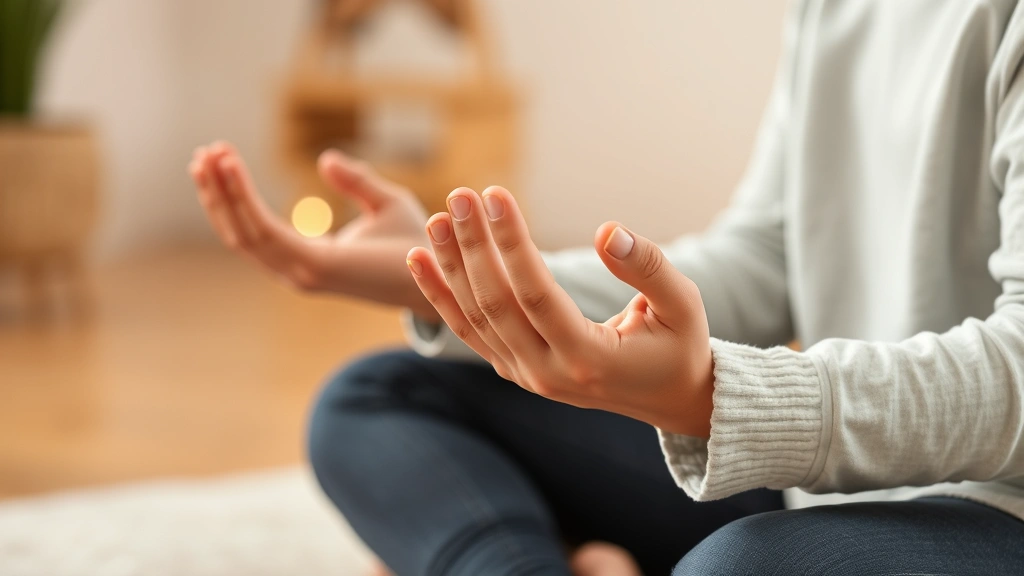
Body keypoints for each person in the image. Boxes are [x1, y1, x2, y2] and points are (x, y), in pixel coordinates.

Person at [189, 1, 1024, 573]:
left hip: (1002, 513)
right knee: (380, 397)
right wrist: (460, 281)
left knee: (738, 568)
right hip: (835, 484)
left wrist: (714, 397)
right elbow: (771, 253)